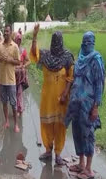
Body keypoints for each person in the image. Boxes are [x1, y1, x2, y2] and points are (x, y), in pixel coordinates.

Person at [30, 24, 74, 165]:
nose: (56, 43)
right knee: (47, 124)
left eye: (57, 40)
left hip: (61, 99)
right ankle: (48, 150)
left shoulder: (67, 57)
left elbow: (70, 77)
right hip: (47, 98)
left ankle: (58, 154)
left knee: (60, 126)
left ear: (61, 42)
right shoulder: (45, 55)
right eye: (54, 40)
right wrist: (35, 36)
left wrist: (65, 93)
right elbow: (34, 54)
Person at [65, 31, 105, 179]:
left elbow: (99, 85)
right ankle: (81, 163)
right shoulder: (80, 59)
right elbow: (74, 79)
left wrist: (96, 106)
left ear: (93, 43)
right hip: (76, 104)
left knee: (88, 135)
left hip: (88, 106)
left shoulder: (96, 60)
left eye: (89, 42)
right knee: (77, 133)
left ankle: (89, 168)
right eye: (85, 41)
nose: (87, 44)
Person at [0, 24, 21, 133]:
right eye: (4, 31)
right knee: (4, 102)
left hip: (11, 80)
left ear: (10, 32)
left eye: (7, 31)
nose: (5, 33)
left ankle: (16, 124)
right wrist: (1, 58)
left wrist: (9, 60)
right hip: (1, 81)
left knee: (13, 104)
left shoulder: (15, 46)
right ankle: (6, 121)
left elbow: (18, 62)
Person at [14, 33, 30, 116]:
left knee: (19, 92)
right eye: (17, 40)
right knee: (13, 92)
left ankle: (19, 109)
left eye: (20, 40)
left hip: (20, 75)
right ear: (15, 40)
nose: (18, 41)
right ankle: (16, 108)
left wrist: (23, 65)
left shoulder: (23, 50)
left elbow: (28, 61)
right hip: (12, 75)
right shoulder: (12, 49)